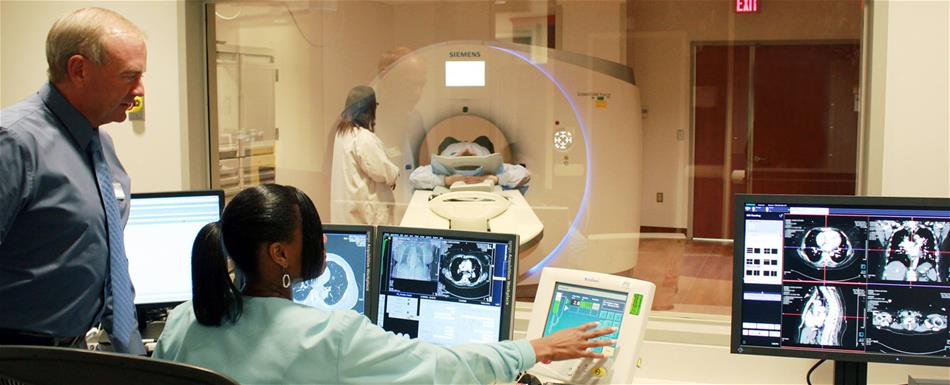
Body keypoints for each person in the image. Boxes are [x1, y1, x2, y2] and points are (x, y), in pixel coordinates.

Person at [153, 184, 616, 384]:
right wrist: (537, 348)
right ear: (280, 254)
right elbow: (440, 367)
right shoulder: (328, 337)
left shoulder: (181, 321)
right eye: (312, 235)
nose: (322, 242)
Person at [0, 7, 146, 354]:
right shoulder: (14, 142)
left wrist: (134, 353)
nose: (139, 90)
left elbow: (111, 258)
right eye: (129, 76)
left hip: (75, 352)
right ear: (79, 70)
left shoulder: (101, 146)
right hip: (17, 357)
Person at [330, 85, 400, 225]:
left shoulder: (342, 134)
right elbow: (381, 171)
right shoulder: (363, 137)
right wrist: (394, 173)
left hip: (349, 213)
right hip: (365, 217)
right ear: (370, 110)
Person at [409, 137, 531, 190]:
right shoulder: (443, 169)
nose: (467, 151)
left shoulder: (491, 168)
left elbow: (524, 174)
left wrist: (495, 179)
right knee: (448, 141)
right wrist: (446, 180)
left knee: (483, 139)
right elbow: (414, 177)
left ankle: (475, 152)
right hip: (452, 152)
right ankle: (458, 153)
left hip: (480, 152)